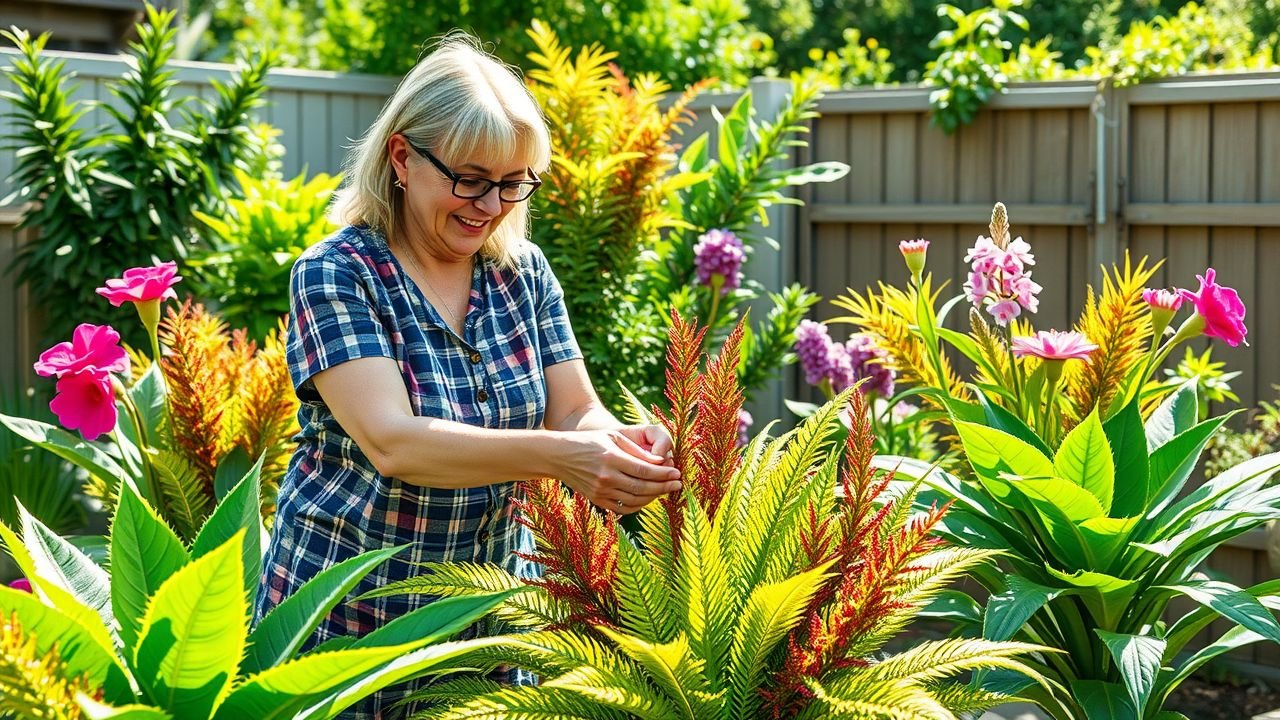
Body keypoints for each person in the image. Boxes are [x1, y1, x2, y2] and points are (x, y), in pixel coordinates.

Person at [254, 34, 682, 719]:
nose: (491, 205)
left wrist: (621, 443)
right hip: (350, 620)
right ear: (401, 157)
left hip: (489, 617)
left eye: (513, 184)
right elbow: (394, 442)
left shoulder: (523, 272)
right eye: (471, 179)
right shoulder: (338, 274)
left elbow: (574, 410)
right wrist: (564, 457)